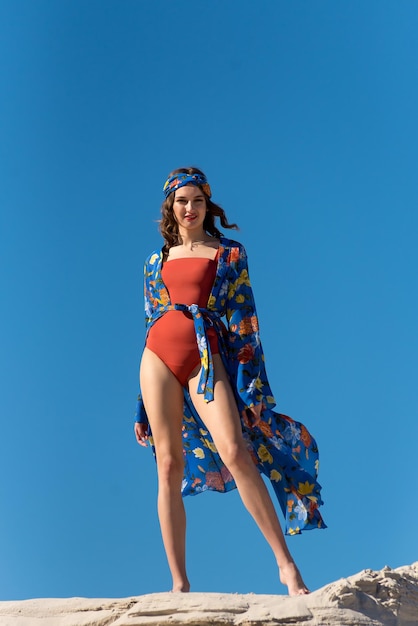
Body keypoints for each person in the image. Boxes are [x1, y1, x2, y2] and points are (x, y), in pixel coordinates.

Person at [134, 167, 326, 596]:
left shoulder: (230, 253)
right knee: (167, 465)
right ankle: (179, 583)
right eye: (182, 201)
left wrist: (253, 386)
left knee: (237, 451)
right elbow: (149, 320)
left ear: (208, 205)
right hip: (156, 357)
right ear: (171, 207)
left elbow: (245, 321)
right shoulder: (154, 261)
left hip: (207, 354)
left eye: (197, 200)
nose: (190, 208)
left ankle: (286, 567)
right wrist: (140, 405)